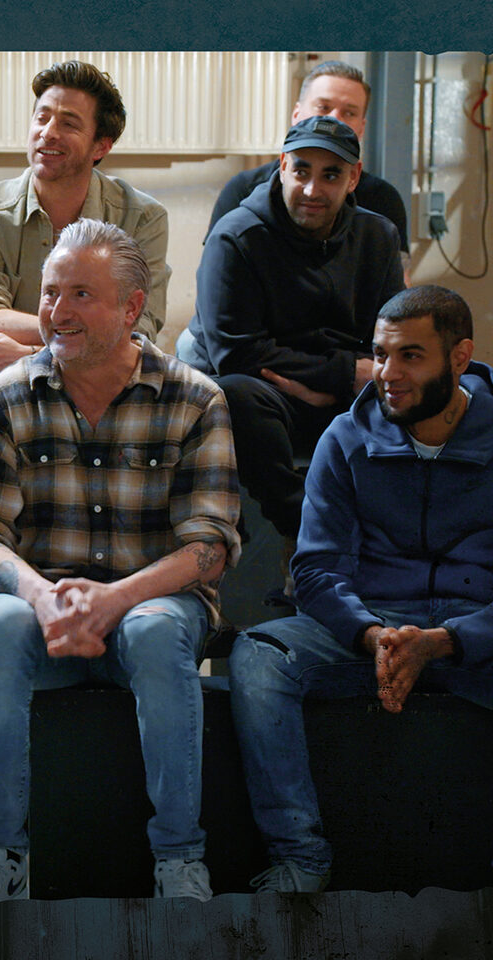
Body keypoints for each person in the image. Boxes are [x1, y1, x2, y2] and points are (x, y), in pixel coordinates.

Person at [0, 220, 239, 908]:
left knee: (153, 631)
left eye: (82, 293)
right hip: (46, 606)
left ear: (132, 308)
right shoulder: (5, 396)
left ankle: (179, 858)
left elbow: (210, 546)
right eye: (51, 292)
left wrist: (117, 599)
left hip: (155, 602)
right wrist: (41, 596)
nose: (58, 311)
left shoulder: (195, 398)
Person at [229, 285, 491, 893]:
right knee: (261, 656)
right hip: (378, 628)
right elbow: (316, 569)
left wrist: (448, 640)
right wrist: (372, 634)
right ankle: (301, 858)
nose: (387, 375)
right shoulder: (346, 438)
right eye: (380, 355)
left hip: (479, 630)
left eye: (410, 356)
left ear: (460, 357)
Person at [0, 60, 170, 623]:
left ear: (101, 145)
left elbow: (139, 325)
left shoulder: (142, 216)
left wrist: (33, 353)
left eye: (68, 123)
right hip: (17, 384)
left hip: (111, 377)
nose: (47, 132)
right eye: (41, 117)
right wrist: (79, 331)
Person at [181, 115, 403, 588]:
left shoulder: (378, 236)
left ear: (353, 178)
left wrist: (339, 380)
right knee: (234, 395)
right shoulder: (236, 236)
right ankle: (302, 532)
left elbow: (388, 341)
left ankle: (402, 546)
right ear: (282, 167)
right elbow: (237, 354)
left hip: (341, 390)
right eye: (301, 171)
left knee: (420, 385)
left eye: (330, 175)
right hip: (271, 393)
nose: (312, 189)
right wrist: (341, 374)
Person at [205, 60, 410, 274]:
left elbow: (399, 285)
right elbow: (218, 274)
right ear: (296, 114)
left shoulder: (382, 200)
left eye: (349, 113)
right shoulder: (243, 191)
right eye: (323, 107)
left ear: (361, 127)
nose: (334, 120)